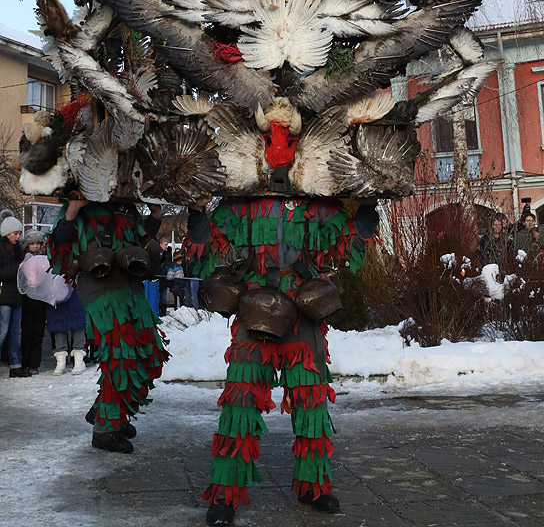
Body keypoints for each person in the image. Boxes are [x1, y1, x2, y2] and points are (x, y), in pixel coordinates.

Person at [185, 194, 379, 526]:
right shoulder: (241, 206)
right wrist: (197, 210)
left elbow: (344, 243)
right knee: (241, 402)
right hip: (254, 305)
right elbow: (208, 243)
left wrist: (366, 210)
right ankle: (225, 493)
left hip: (304, 308)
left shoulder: (316, 206)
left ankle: (313, 486)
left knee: (311, 402)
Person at [47, 197, 170, 454]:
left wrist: (155, 215)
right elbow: (58, 247)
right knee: (120, 357)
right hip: (101, 291)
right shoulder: (81, 206)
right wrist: (72, 210)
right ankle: (105, 428)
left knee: (150, 355)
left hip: (131, 288)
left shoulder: (126, 208)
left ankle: (109, 410)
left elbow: (139, 240)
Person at [0, 214, 29, 378]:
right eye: (15, 233)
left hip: (17, 295)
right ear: (6, 233)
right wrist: (18, 268)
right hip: (4, 296)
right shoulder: (1, 248)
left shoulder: (18, 249)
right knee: (3, 331)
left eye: (19, 233)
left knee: (16, 332)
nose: (18, 236)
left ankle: (16, 365)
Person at [46, 276, 87, 377]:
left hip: (74, 287)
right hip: (55, 288)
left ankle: (79, 361)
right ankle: (61, 362)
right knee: (58, 325)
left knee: (77, 324)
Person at [20, 230, 48, 375]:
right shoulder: (23, 258)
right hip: (26, 300)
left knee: (38, 333)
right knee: (27, 332)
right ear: (27, 245)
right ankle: (25, 363)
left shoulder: (45, 258)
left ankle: (34, 364)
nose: (35, 246)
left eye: (38, 243)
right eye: (32, 244)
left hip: (41, 301)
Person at [157, 236, 172, 317]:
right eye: (165, 245)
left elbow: (168, 263)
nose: (167, 246)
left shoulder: (167, 254)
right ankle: (159, 310)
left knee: (164, 297)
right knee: (158, 297)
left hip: (164, 278)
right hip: (158, 277)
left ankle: (163, 311)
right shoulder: (157, 254)